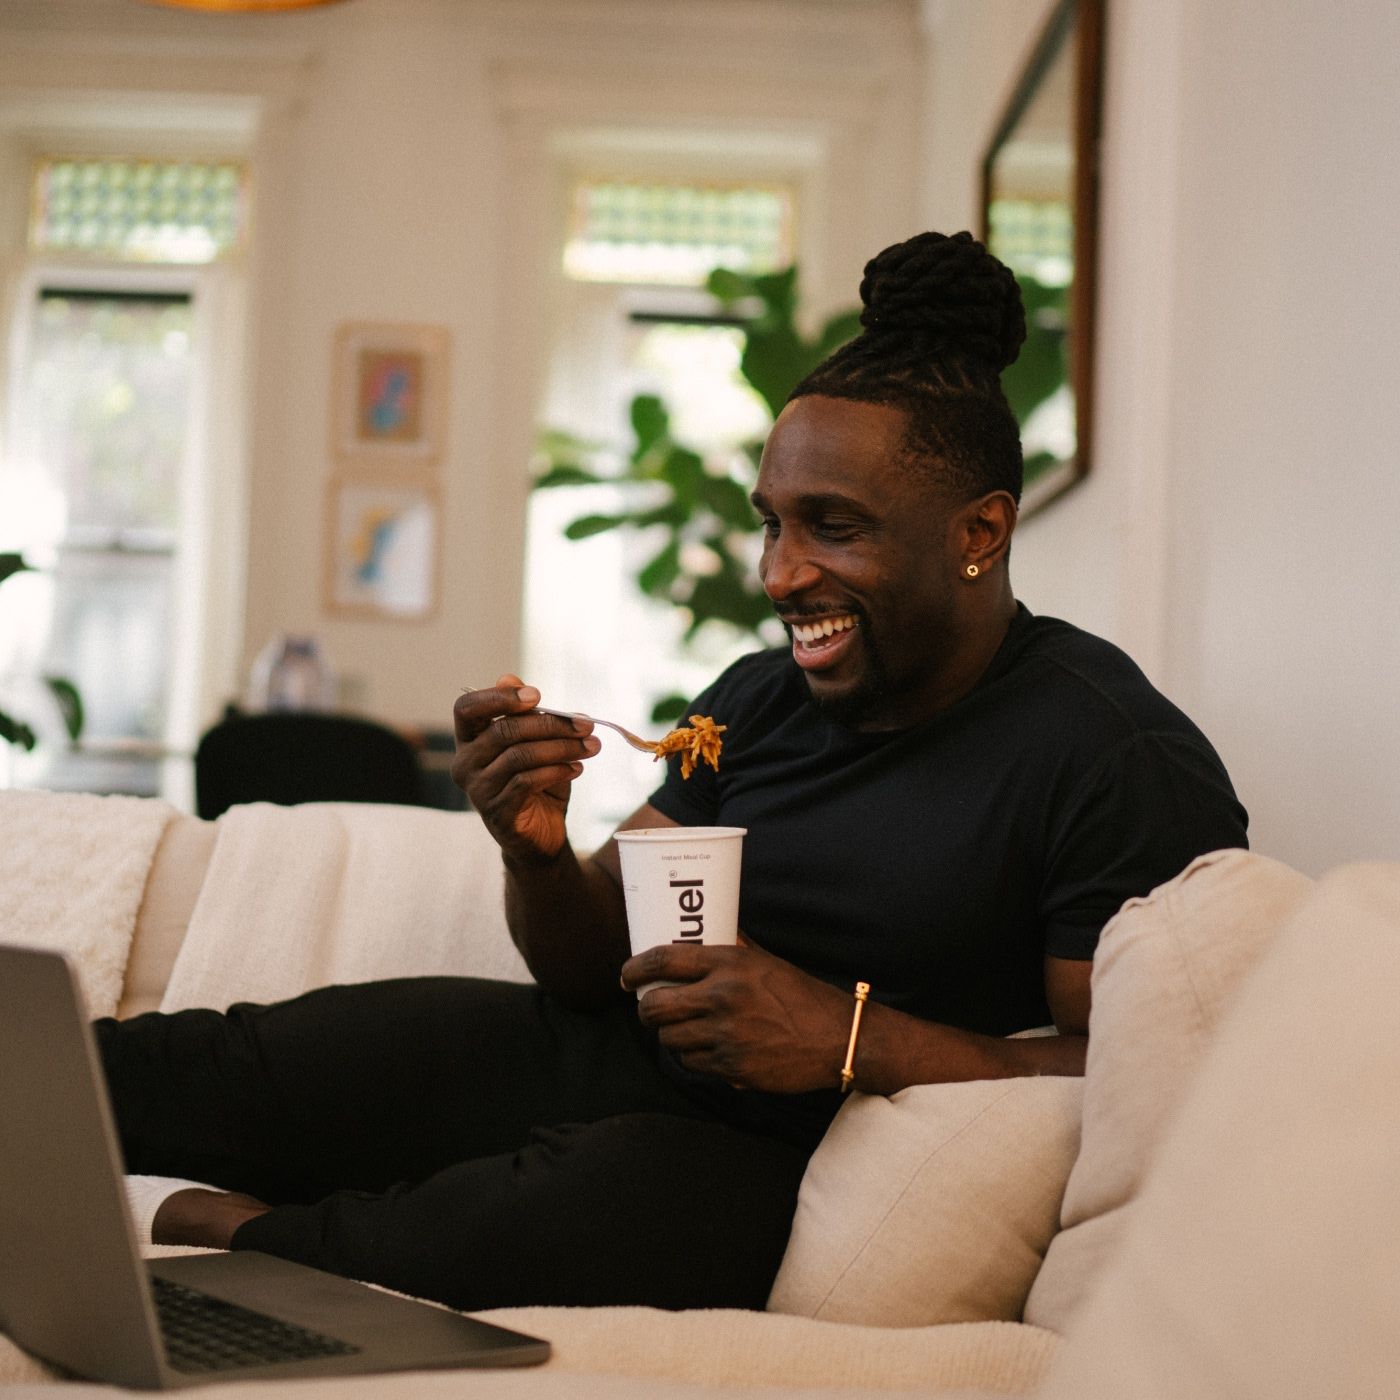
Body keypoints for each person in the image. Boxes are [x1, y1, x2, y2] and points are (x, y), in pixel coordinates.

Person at [100, 230, 1247, 1314]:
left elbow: (1131, 1075)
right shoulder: (758, 697)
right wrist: (534, 845)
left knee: (606, 1202)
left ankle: (259, 1244)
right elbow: (587, 967)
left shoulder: (1108, 754)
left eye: (831, 526)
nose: (781, 572)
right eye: (770, 524)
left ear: (978, 533)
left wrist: (847, 1037)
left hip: (780, 1157)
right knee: (226, 1063)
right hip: (612, 1057)